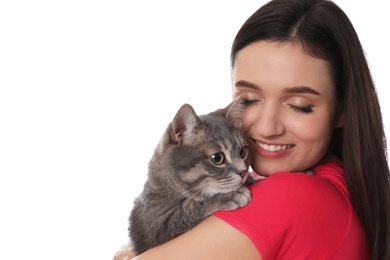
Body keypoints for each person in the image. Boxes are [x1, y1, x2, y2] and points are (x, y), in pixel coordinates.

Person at [114, 0, 390, 259]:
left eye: (299, 104)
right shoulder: (341, 183)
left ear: (342, 109)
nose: (268, 128)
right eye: (249, 100)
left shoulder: (295, 196)